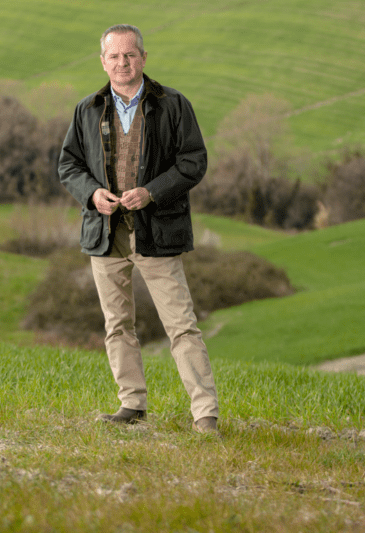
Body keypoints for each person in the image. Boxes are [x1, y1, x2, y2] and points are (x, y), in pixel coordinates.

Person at [58, 24, 220, 434]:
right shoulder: (87, 109)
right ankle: (131, 403)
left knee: (181, 326)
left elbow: (192, 162)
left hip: (158, 234)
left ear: (144, 58)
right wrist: (92, 193)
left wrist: (151, 192)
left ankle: (205, 414)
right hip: (104, 234)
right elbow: (68, 165)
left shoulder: (174, 106)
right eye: (114, 56)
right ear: (102, 62)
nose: (122, 63)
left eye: (130, 55)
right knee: (117, 325)